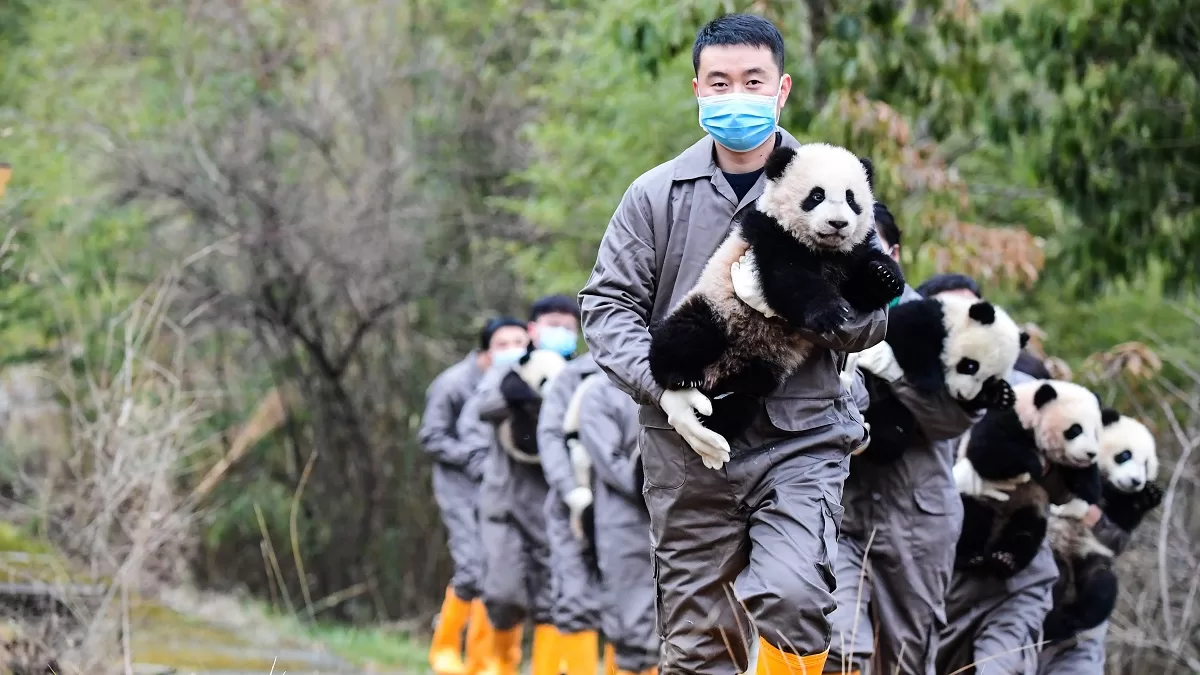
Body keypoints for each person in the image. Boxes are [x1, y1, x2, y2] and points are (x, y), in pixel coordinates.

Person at [578, 14, 885, 675]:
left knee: (796, 594)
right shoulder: (654, 196)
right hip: (688, 449)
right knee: (697, 647)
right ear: (696, 89)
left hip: (800, 436)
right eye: (719, 82)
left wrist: (811, 296)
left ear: (782, 90)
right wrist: (666, 387)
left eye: (752, 80)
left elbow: (875, 318)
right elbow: (606, 307)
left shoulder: (839, 187)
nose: (735, 94)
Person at [823, 206, 981, 675]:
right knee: (838, 651)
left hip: (919, 521)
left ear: (893, 253)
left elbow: (954, 419)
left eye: (869, 245)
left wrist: (893, 371)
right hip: (841, 515)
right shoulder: (821, 311)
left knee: (907, 660)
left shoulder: (940, 324)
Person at [931, 275, 1060, 675]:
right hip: (935, 586)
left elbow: (1071, 487)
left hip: (1013, 583)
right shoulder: (900, 385)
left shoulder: (1028, 390)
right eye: (946, 313)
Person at [467, 295, 584, 675]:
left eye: (569, 327)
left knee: (553, 600)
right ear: (533, 328)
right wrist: (517, 397)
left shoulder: (579, 375)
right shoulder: (512, 369)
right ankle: (496, 665)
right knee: (503, 594)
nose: (561, 333)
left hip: (555, 506)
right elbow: (484, 407)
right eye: (553, 324)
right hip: (505, 502)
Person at [421, 317, 529, 675]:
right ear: (485, 351)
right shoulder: (452, 384)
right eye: (502, 344)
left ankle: (485, 662)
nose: (512, 350)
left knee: (497, 571)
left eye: (519, 341)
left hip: (497, 487)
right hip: (458, 485)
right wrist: (471, 459)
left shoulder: (521, 379)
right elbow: (431, 437)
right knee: (471, 569)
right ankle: (445, 650)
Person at [577, 375, 659, 675]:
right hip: (623, 517)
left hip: (674, 518)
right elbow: (607, 459)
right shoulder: (600, 393)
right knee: (630, 623)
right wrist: (653, 490)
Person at [537, 348, 607, 675]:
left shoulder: (652, 367)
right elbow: (550, 435)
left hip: (627, 510)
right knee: (576, 600)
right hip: (574, 508)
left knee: (633, 609)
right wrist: (570, 490)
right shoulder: (573, 376)